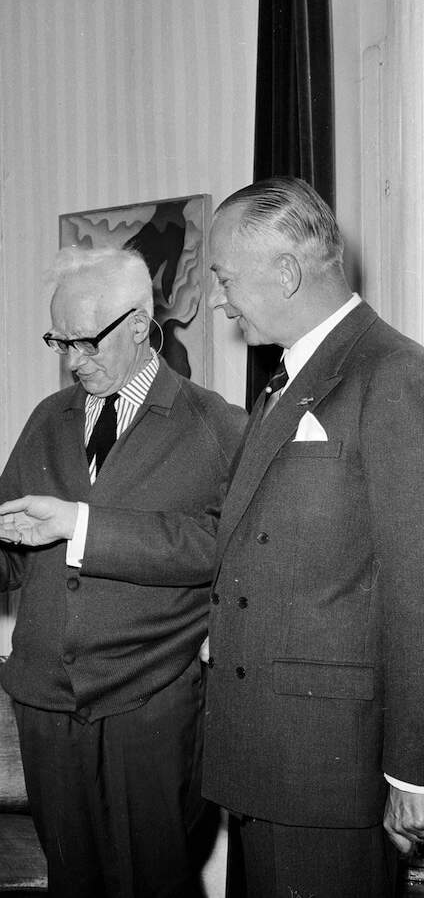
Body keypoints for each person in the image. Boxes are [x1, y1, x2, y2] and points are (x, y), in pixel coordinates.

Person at [0, 246, 246, 897]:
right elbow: (10, 562)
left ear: (141, 324)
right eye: (58, 341)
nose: (71, 360)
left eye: (86, 341)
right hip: (44, 703)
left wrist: (82, 527)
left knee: (157, 881)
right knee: (72, 881)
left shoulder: (218, 427)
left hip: (150, 702)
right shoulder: (48, 419)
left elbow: (231, 553)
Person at [203, 176, 424, 897]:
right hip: (265, 756)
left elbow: (415, 586)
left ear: (288, 272)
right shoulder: (287, 381)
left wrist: (412, 770)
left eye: (225, 277)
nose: (218, 298)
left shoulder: (391, 374)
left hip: (333, 769)